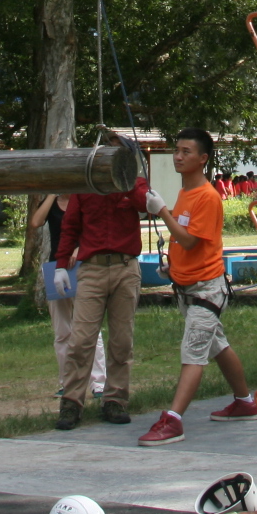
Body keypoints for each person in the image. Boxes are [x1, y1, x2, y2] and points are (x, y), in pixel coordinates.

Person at [139, 128, 257, 446]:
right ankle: (245, 401)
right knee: (217, 345)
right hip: (188, 287)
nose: (179, 156)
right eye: (177, 150)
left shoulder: (207, 197)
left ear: (203, 159)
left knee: (193, 351)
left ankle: (173, 419)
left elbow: (190, 240)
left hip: (207, 290)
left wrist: (162, 211)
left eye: (186, 152)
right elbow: (185, 240)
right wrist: (173, 267)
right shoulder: (185, 193)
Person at [51, 142, 154, 431]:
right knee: (81, 339)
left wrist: (132, 180)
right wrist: (61, 265)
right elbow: (70, 226)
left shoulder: (131, 182)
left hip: (125, 268)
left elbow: (143, 201)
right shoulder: (87, 187)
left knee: (122, 340)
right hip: (93, 269)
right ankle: (72, 401)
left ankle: (116, 399)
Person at [29, 194, 106, 403]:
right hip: (56, 269)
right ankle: (66, 383)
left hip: (83, 267)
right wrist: (51, 194)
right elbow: (36, 222)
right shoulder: (51, 202)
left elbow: (94, 231)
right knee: (62, 331)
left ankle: (98, 382)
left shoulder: (82, 200)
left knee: (90, 328)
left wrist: (78, 250)